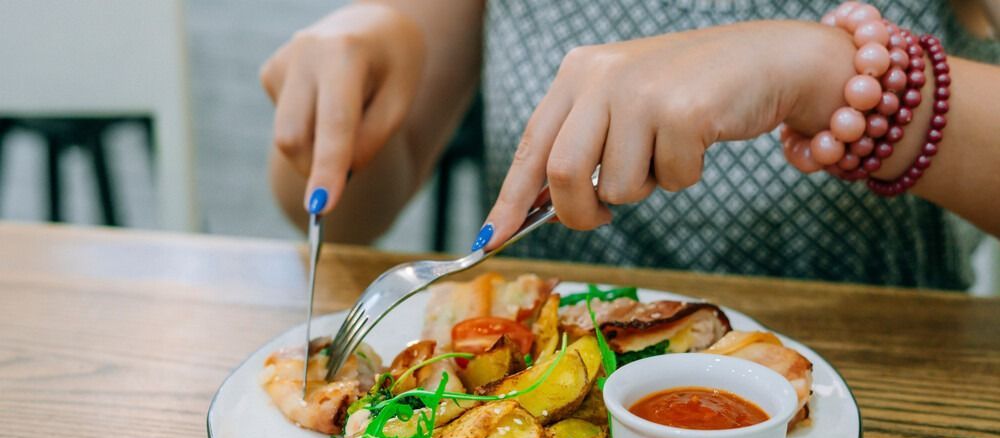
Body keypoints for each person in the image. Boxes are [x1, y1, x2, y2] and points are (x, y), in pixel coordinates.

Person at [261, 1, 1000, 289]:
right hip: (540, 412)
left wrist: (826, 73)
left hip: (876, 426)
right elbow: (345, 218)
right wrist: (342, 93)